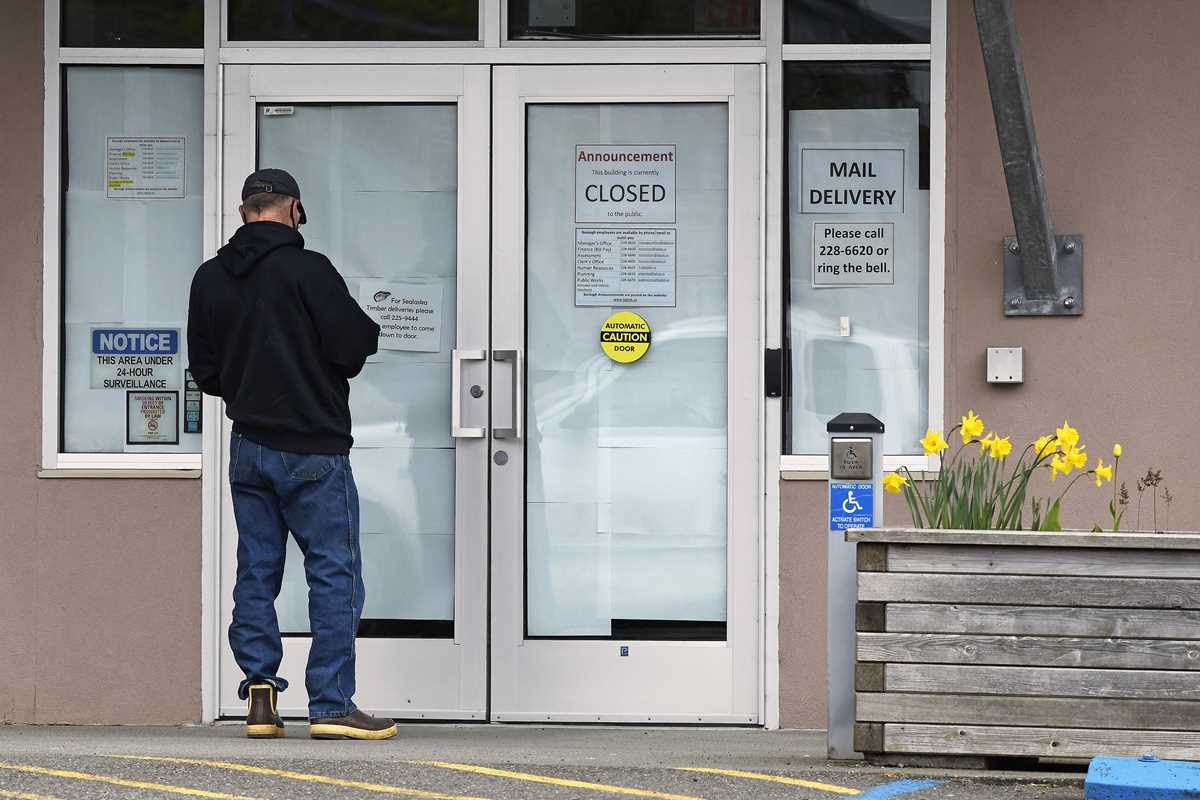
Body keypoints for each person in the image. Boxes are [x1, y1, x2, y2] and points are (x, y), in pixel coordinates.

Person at [187, 168, 394, 740]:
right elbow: (353, 348)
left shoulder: (209, 277)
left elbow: (206, 373)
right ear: (295, 209)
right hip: (313, 448)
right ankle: (330, 704)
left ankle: (260, 691)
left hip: (249, 446)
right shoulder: (309, 270)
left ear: (243, 211)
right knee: (333, 574)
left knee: (257, 570)